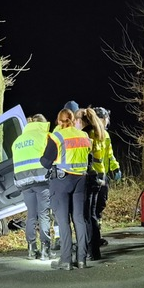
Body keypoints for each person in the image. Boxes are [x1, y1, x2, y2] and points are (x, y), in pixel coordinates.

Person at [41, 108, 92, 270]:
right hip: (81, 180)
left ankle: (66, 260)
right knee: (79, 219)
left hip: (62, 181)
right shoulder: (84, 136)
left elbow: (46, 162)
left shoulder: (57, 137)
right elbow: (88, 156)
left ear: (59, 121)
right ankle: (82, 259)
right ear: (72, 120)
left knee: (63, 220)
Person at [11, 114, 55, 261]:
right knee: (43, 214)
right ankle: (45, 250)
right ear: (43, 124)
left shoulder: (18, 140)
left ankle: (31, 250)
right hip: (42, 180)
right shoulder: (45, 136)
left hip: (24, 183)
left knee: (31, 215)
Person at [80, 107, 115, 260]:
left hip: (94, 176)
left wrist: (115, 167)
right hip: (96, 176)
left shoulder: (97, 134)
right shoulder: (93, 134)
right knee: (93, 213)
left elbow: (109, 154)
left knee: (92, 213)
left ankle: (92, 245)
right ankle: (94, 244)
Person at [91, 107, 123, 252]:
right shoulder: (90, 134)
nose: (108, 121)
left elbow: (109, 154)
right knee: (93, 208)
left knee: (100, 206)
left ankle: (97, 235)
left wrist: (115, 167)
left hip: (103, 175)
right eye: (106, 118)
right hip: (93, 176)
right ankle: (92, 237)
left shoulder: (106, 135)